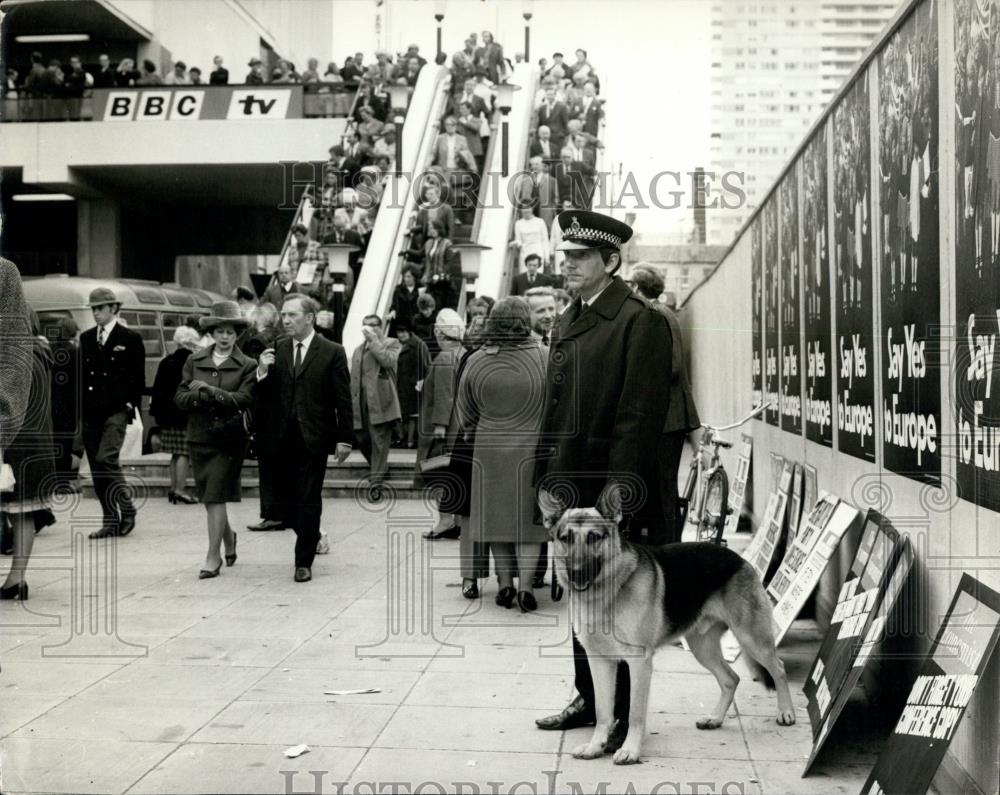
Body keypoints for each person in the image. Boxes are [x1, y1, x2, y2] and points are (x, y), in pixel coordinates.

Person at [533, 210, 673, 746]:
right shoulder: (569, 317)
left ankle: (618, 719)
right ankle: (591, 701)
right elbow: (556, 403)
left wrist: (619, 497)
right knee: (578, 596)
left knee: (618, 607)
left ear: (611, 261)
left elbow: (639, 415)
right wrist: (544, 476)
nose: (567, 264)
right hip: (568, 483)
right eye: (565, 255)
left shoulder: (641, 320)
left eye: (580, 257)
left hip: (611, 494)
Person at [455, 297, 547, 611]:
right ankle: (527, 588)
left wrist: (472, 430)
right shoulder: (546, 356)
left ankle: (505, 583)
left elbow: (464, 409)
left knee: (496, 520)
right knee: (528, 524)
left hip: (489, 450)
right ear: (527, 319)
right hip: (532, 450)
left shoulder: (477, 360)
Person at [254, 295, 353, 582]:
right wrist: (262, 371)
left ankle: (303, 561)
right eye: (283, 315)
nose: (285, 320)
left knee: (308, 497)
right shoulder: (277, 349)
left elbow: (343, 399)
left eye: (291, 315)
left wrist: (345, 438)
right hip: (280, 437)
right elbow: (265, 396)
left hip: (314, 437)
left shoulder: (332, 351)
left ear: (309, 318)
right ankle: (313, 533)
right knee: (283, 501)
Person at [174, 302, 256, 578]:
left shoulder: (248, 365)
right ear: (211, 332)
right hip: (200, 437)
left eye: (230, 332)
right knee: (211, 499)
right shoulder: (194, 360)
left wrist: (209, 390)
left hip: (230, 439)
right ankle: (229, 537)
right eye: (220, 331)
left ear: (237, 335)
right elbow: (181, 398)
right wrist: (199, 395)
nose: (224, 337)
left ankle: (213, 556)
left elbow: (244, 400)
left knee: (215, 494)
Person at [628, 265, 701, 543]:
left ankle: (670, 550)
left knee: (663, 491)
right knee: (662, 491)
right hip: (670, 416)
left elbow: (669, 367)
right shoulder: (662, 313)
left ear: (636, 288)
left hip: (666, 418)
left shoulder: (654, 315)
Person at [80, 287, 146, 539]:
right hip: (92, 412)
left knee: (107, 458)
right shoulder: (86, 339)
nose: (96, 313)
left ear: (113, 308)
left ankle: (127, 510)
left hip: (117, 409)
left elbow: (137, 377)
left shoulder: (129, 338)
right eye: (94, 308)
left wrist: (130, 405)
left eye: (101, 308)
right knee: (97, 468)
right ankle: (109, 519)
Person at [1, 307, 57, 601]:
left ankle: (15, 579)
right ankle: (17, 578)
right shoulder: (40, 354)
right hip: (37, 446)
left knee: (14, 511)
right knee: (23, 512)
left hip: (12, 446)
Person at [418, 309, 465, 541]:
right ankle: (455, 520)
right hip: (460, 425)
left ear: (439, 333)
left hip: (446, 429)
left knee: (439, 474)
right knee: (454, 475)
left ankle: (445, 520)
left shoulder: (445, 357)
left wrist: (439, 426)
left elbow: (445, 395)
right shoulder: (462, 353)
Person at [150, 326, 202, 505]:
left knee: (175, 453)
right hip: (184, 413)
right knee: (184, 453)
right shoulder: (192, 361)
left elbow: (157, 390)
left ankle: (173, 489)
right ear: (191, 343)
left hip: (167, 415)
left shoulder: (166, 361)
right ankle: (180, 490)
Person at [244, 303, 284, 532]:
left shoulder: (257, 341)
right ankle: (282, 512)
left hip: (265, 412)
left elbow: (254, 377)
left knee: (267, 468)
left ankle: (271, 514)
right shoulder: (283, 338)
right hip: (282, 411)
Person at [351, 316, 401, 490]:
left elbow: (388, 360)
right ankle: (380, 468)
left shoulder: (391, 343)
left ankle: (376, 480)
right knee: (361, 438)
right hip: (361, 402)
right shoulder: (358, 350)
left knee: (379, 440)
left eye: (373, 325)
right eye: (366, 325)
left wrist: (374, 342)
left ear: (381, 327)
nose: (369, 328)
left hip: (381, 401)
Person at [49, 316, 80, 490]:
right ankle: (62, 482)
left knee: (53, 442)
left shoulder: (50, 349)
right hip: (69, 405)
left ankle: (52, 479)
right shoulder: (75, 351)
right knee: (65, 442)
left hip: (51, 403)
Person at [394, 323, 430, 449]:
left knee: (412, 414)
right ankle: (404, 439)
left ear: (409, 332)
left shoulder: (419, 345)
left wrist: (421, 381)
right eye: (399, 332)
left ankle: (409, 441)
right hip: (403, 384)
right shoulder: (399, 345)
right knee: (404, 413)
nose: (401, 335)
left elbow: (426, 365)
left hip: (414, 384)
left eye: (403, 332)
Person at [419, 220, 461, 312]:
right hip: (430, 281)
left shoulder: (447, 243)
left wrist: (439, 276)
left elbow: (449, 263)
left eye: (433, 228)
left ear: (439, 229)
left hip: (442, 282)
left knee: (438, 305)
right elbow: (422, 255)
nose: (431, 230)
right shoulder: (429, 243)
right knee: (428, 306)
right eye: (430, 228)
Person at [512, 206, 550, 270]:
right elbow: (518, 240)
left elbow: (545, 240)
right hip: (525, 253)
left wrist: (547, 257)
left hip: (538, 252)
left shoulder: (540, 221)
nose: (526, 210)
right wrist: (514, 243)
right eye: (524, 208)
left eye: (528, 208)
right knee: (524, 277)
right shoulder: (518, 224)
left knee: (537, 276)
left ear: (532, 209)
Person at [388, 264, 421, 336]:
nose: (406, 279)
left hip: (415, 325)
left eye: (408, 276)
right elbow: (394, 305)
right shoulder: (398, 289)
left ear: (415, 277)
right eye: (404, 276)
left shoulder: (421, 289)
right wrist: (392, 312)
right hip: (401, 324)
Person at [412, 293, 438, 358]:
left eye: (427, 309)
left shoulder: (438, 318)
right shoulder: (416, 319)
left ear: (432, 307)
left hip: (435, 353)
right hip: (420, 353)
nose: (425, 312)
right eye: (423, 310)